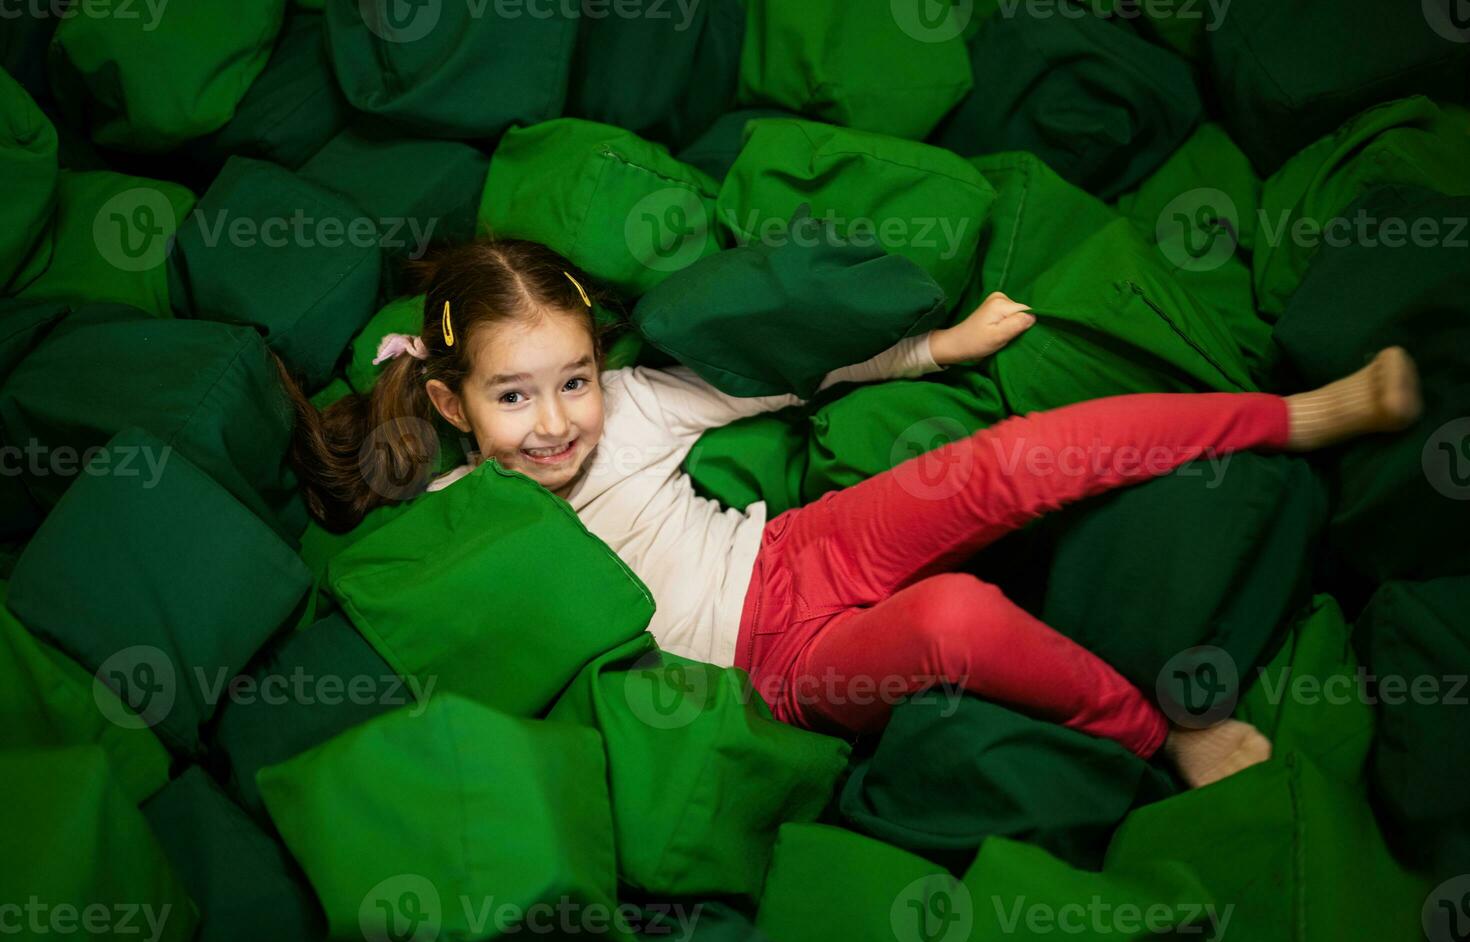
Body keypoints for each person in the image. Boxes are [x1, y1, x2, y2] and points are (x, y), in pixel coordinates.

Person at [273, 236, 1423, 788]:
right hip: (778, 664)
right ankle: (1156, 730)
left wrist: (941, 345)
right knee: (953, 621)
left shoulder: (632, 404)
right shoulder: (461, 510)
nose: (556, 421)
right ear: (452, 401)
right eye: (513, 396)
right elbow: (408, 590)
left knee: (1008, 459)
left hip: (793, 547)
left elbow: (796, 373)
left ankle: (1295, 415)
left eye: (571, 378)